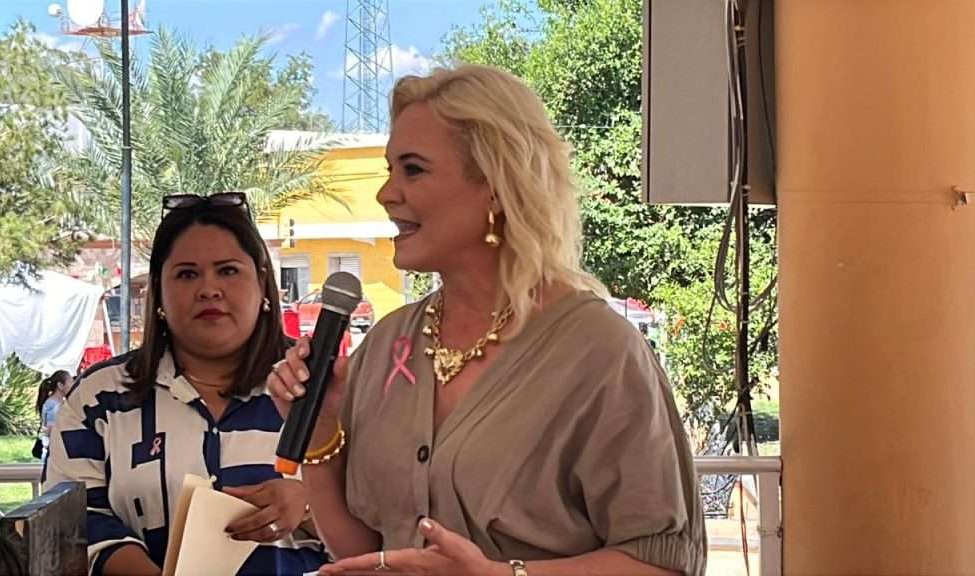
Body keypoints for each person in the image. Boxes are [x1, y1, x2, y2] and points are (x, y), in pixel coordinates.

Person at [268, 65, 707, 576]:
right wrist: (320, 434)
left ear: (496, 185)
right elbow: (364, 553)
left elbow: (663, 561)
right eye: (390, 170)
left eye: (413, 170)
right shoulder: (388, 344)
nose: (387, 193)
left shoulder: (599, 351)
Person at [44, 192, 327, 576]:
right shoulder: (99, 398)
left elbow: (386, 513)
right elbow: (73, 519)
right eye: (187, 274)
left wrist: (309, 504)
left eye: (228, 270)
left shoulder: (322, 387)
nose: (209, 289)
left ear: (262, 283)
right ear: (158, 292)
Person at [35, 370, 73, 461]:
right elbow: (51, 429)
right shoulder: (54, 406)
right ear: (60, 385)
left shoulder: (57, 403)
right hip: (54, 452)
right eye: (71, 382)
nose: (73, 385)